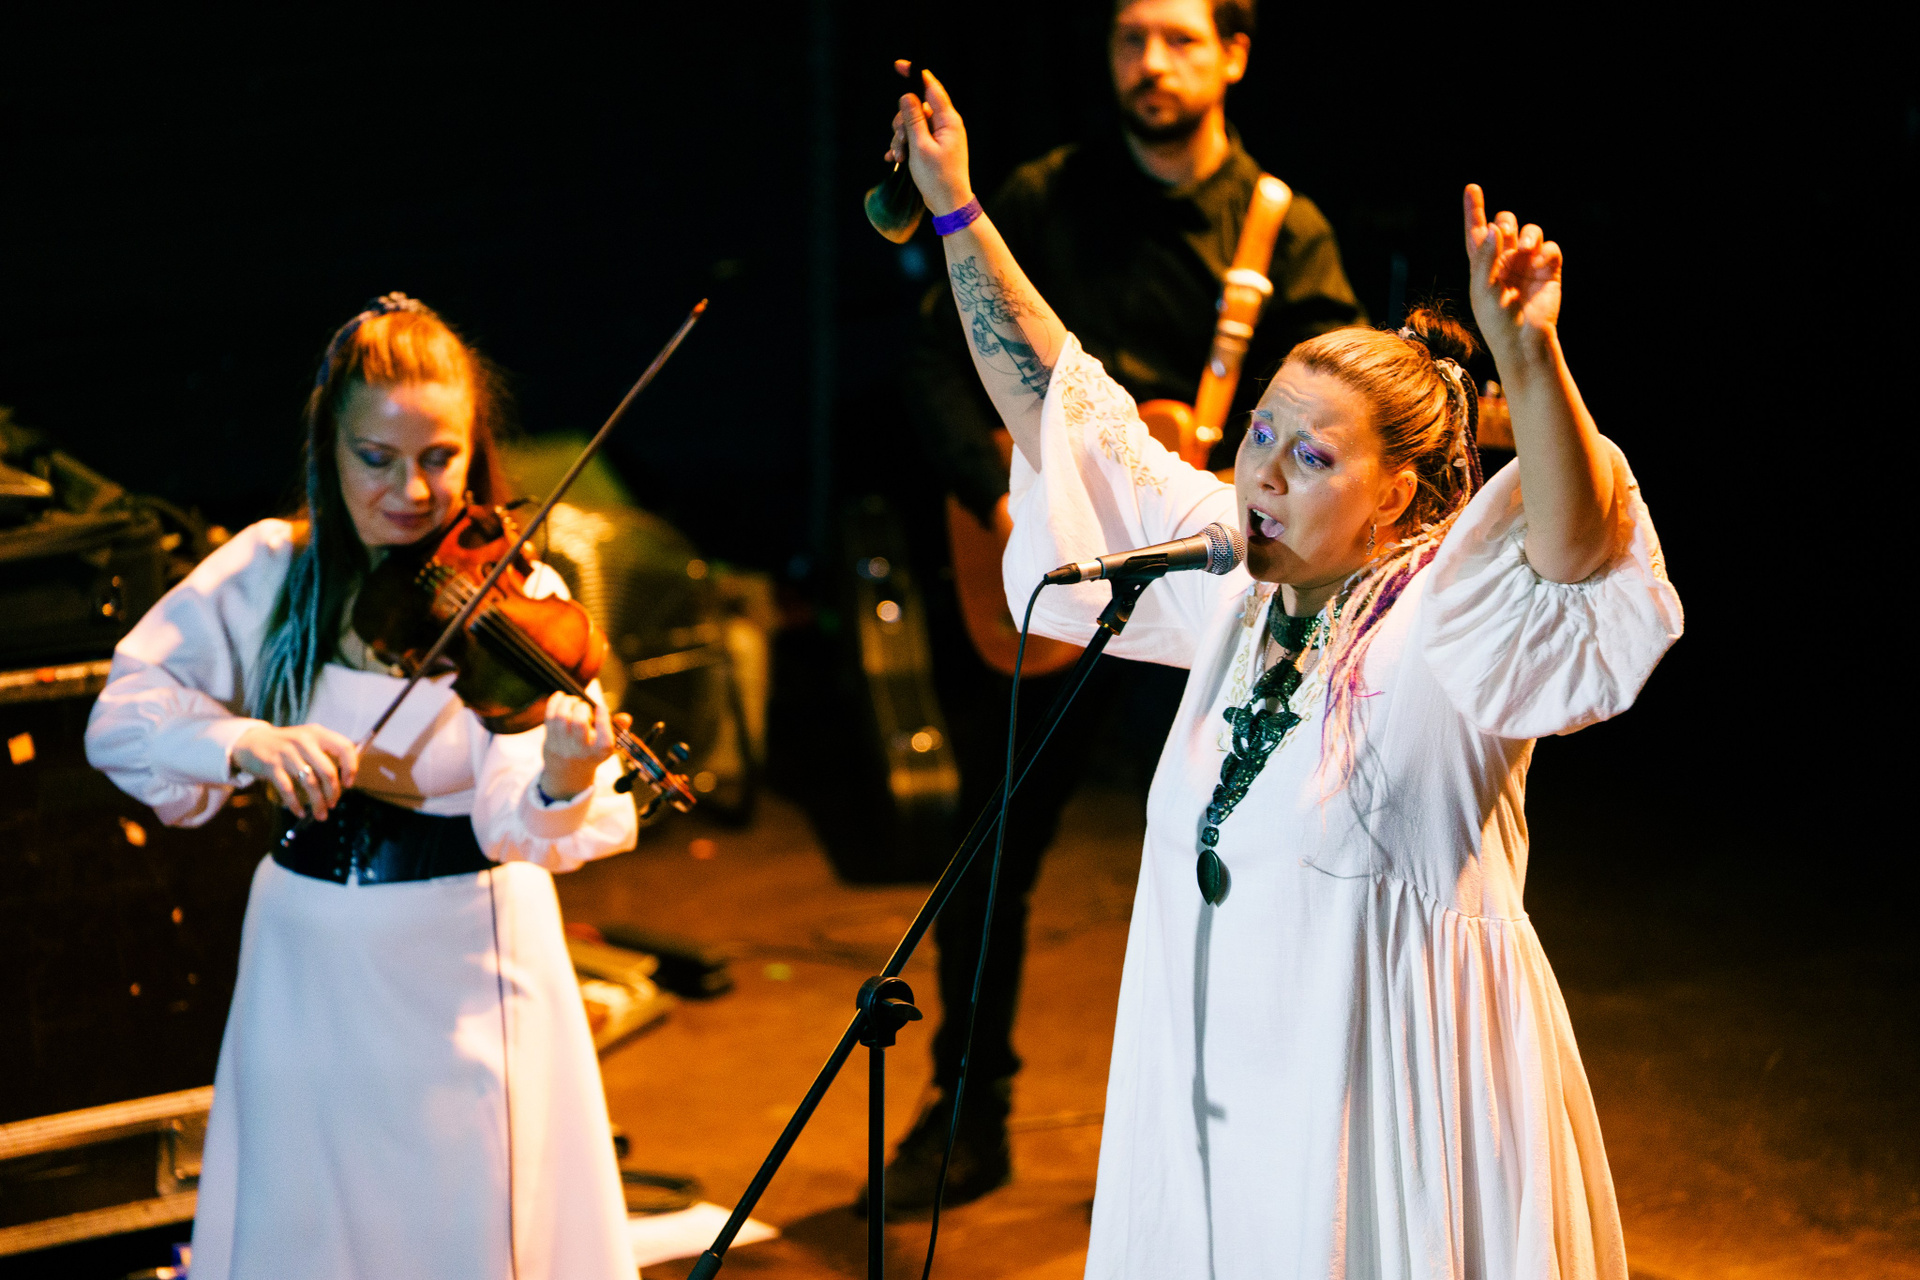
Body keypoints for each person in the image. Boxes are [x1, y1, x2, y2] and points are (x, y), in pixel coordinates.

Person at [889, 67, 1681, 1276]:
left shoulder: (1446, 623)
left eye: (1310, 457)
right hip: (1222, 1100)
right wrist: (956, 207)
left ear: (1397, 497)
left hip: (1390, 1108)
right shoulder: (1233, 581)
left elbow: (1574, 556)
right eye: (1260, 430)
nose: (1261, 471)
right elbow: (1062, 403)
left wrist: (1530, 359)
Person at [889, 0, 1365, 1211]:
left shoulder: (1286, 230)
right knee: (991, 850)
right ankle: (965, 1109)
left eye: (1181, 38)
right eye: (1129, 38)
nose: (1152, 63)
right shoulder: (1044, 198)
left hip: (1212, 583)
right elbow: (942, 361)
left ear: (1236, 54)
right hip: (1057, 573)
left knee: (1243, 844)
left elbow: (1337, 421)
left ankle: (1236, 1130)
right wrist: (1005, 511)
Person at [85, 295, 640, 1280]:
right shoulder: (272, 568)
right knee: (308, 1228)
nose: (411, 491)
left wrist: (562, 776)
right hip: (307, 966)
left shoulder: (524, 598)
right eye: (376, 458)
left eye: (439, 457)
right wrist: (243, 741)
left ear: (474, 452)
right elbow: (123, 718)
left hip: (468, 966)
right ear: (328, 449)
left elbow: (520, 821)